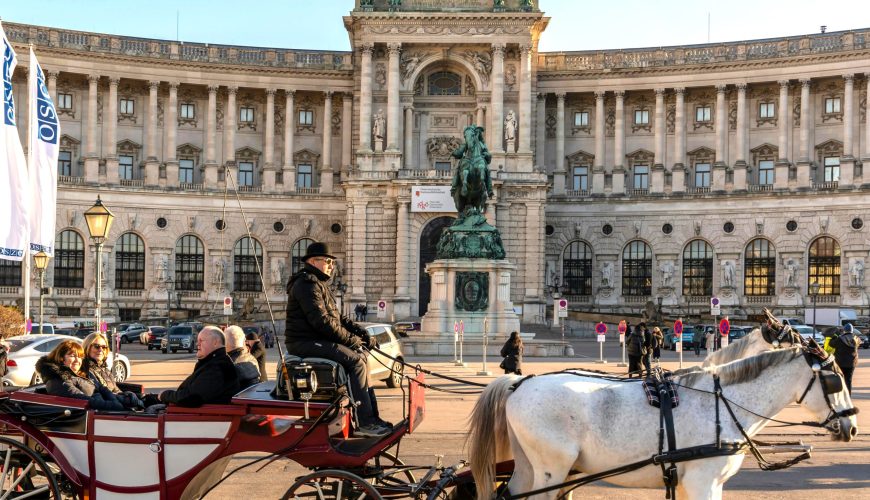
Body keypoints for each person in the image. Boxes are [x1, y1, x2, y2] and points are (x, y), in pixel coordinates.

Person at [284, 241, 390, 438]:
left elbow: (338, 317)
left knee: (362, 358)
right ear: (313, 261)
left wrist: (361, 333)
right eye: (328, 261)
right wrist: (350, 340)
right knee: (355, 361)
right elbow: (322, 322)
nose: (332, 266)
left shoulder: (319, 283)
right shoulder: (306, 284)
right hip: (304, 342)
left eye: (332, 262)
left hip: (315, 339)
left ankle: (372, 418)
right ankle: (364, 423)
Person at [159, 326, 240, 407]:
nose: (198, 344)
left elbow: (192, 398)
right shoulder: (214, 362)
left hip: (204, 416)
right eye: (198, 341)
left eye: (201, 340)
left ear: (215, 342)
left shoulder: (218, 367)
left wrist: (165, 395)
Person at [35, 340, 126, 411]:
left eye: (80, 357)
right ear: (61, 358)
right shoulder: (57, 380)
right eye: (73, 356)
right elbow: (85, 400)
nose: (77, 361)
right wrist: (115, 405)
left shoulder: (82, 373)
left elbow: (102, 388)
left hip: (106, 408)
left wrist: (119, 399)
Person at [81, 332, 143, 410]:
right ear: (87, 348)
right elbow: (99, 395)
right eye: (96, 346)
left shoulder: (104, 369)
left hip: (116, 403)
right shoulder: (84, 370)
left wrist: (129, 394)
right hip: (107, 409)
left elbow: (115, 389)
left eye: (104, 347)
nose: (100, 350)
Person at [828, 324, 860, 394]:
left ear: (844, 330)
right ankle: (848, 396)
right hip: (852, 363)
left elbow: (831, 344)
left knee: (840, 379)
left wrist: (835, 335)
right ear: (852, 330)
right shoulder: (857, 338)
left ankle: (842, 396)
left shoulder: (840, 339)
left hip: (840, 363)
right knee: (848, 380)